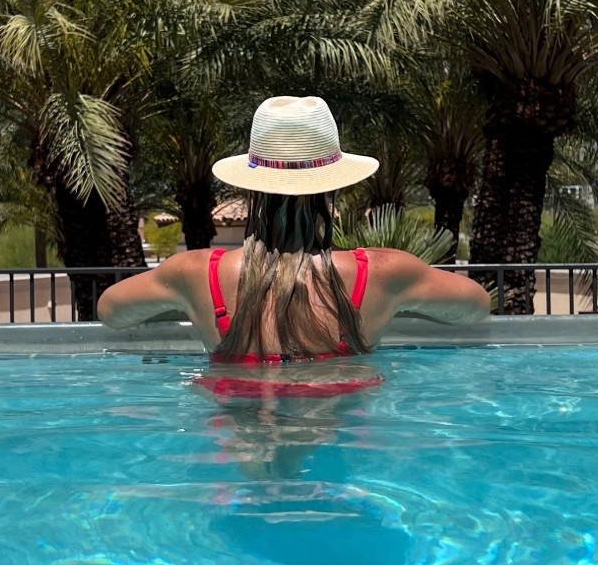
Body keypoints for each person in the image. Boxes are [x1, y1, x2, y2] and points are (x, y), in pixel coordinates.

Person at [98, 95, 491, 392]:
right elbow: (475, 308)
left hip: (235, 444)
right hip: (343, 442)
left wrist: (182, 301)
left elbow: (112, 312)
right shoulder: (386, 273)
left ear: (252, 186)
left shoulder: (196, 273)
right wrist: (398, 302)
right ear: (332, 184)